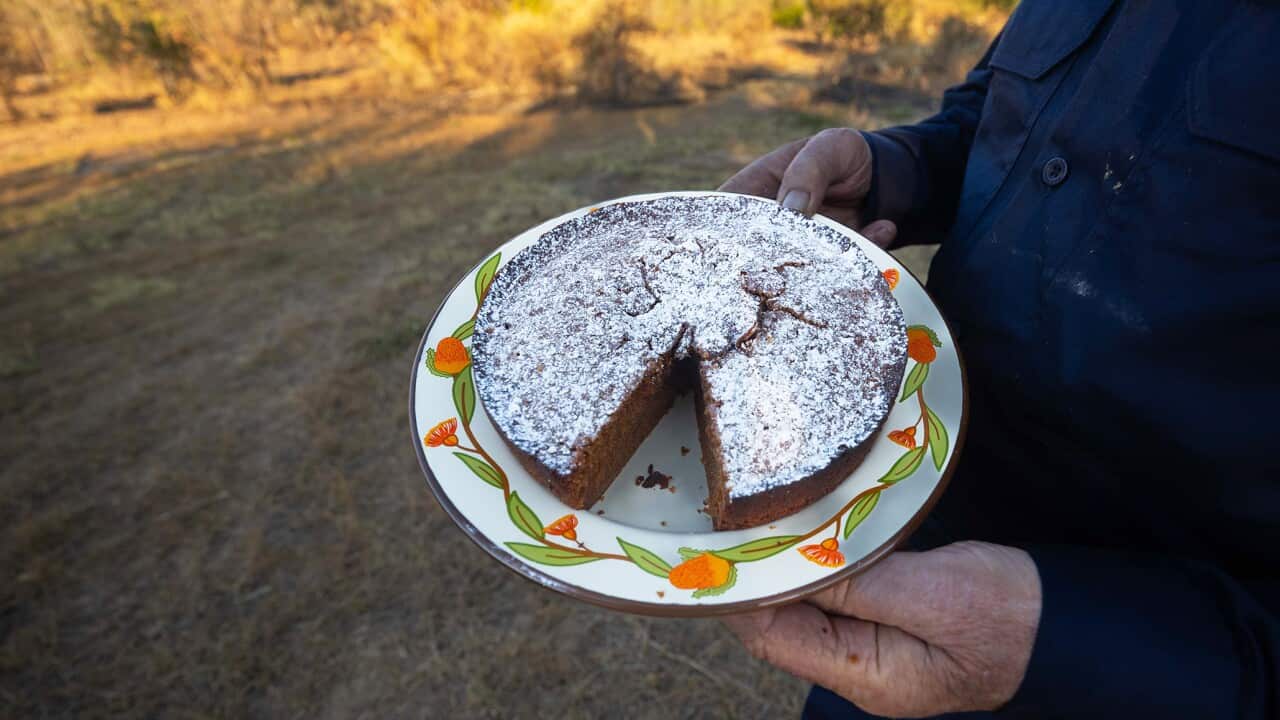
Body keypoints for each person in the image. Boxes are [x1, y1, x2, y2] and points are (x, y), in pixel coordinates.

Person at [718, 1, 1279, 717]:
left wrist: (1064, 649)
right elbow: (1000, 116)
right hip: (912, 521)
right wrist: (893, 168)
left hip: (1136, 647)